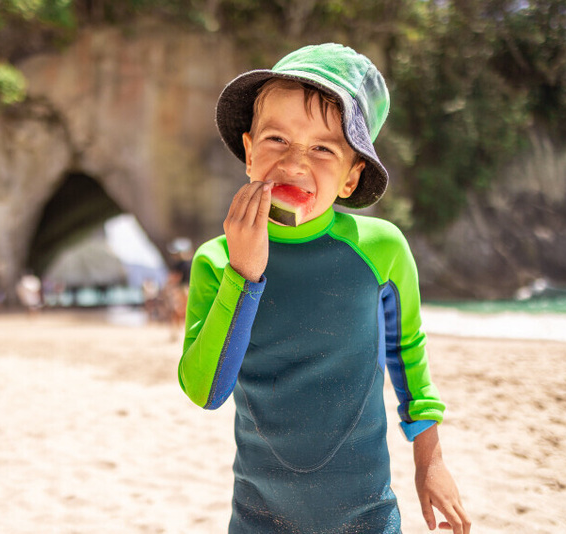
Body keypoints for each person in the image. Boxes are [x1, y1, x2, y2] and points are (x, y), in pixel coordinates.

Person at [177, 43, 470, 533]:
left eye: (322, 148)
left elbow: (408, 356)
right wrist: (243, 273)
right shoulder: (218, 259)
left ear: (352, 177)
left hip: (366, 517)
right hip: (257, 517)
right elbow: (205, 391)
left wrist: (430, 462)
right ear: (249, 152)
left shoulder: (380, 248)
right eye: (276, 140)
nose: (294, 163)